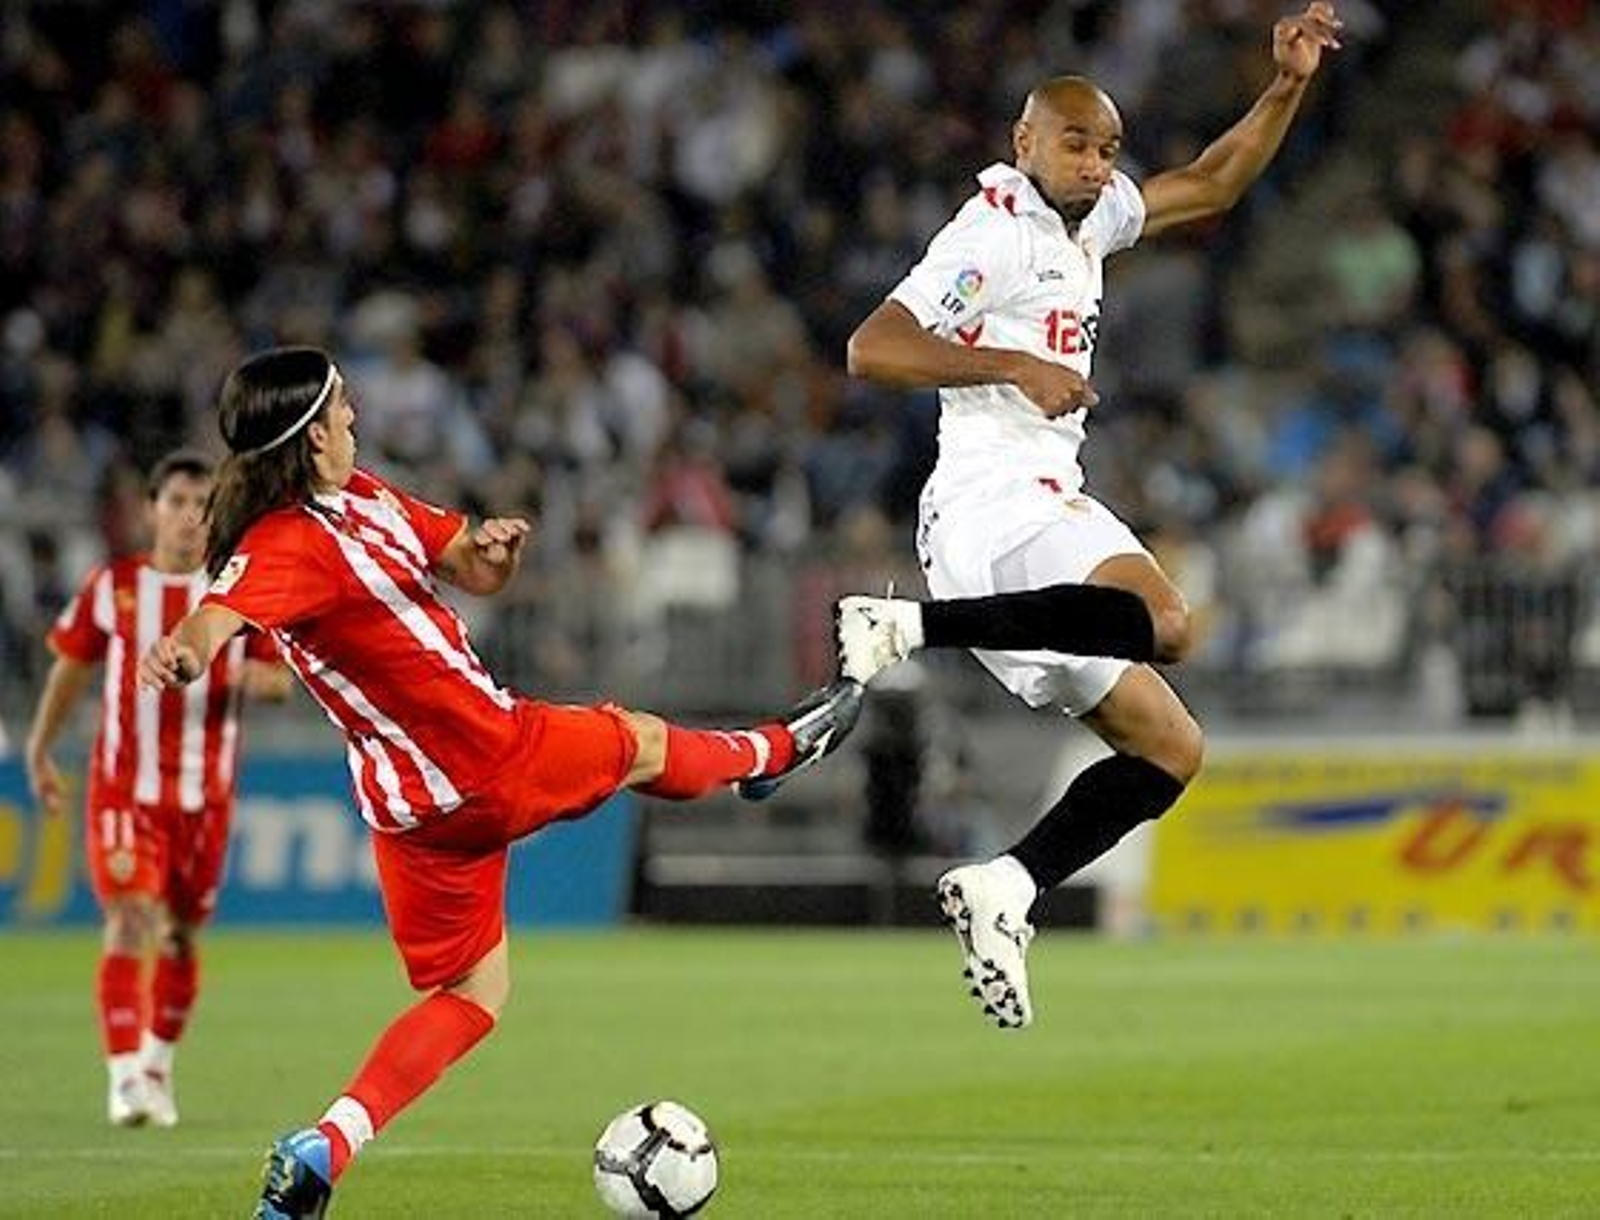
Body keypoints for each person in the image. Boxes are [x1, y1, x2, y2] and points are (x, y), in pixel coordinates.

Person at [134, 346, 861, 1218]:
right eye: (340, 405)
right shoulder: (289, 540)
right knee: (635, 740)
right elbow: (220, 614)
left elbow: (468, 566)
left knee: (473, 996)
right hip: (484, 757)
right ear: (309, 434)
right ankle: (777, 751)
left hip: (410, 814)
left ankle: (323, 1150)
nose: (355, 416)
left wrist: (494, 553)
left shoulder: (366, 498)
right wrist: (183, 651)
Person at [840, 4, 1344, 1029]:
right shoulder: (988, 235)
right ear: (1024, 140)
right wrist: (1011, 362)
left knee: (1171, 747)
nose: (1093, 162)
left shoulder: (1095, 219)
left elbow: (1207, 183)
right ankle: (904, 626)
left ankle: (1009, 886)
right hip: (987, 498)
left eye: (1106, 147)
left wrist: (1286, 84)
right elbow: (872, 347)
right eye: (1074, 141)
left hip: (1040, 497)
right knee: (1169, 623)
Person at [24, 450, 291, 1127]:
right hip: (124, 792)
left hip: (205, 799)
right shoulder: (112, 587)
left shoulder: (236, 594)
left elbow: (278, 679)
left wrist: (237, 674)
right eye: (175, 502)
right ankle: (122, 1079)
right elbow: (71, 669)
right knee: (130, 917)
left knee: (178, 937)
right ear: (151, 510)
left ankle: (156, 1067)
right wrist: (40, 746)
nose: (189, 518)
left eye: (203, 506)